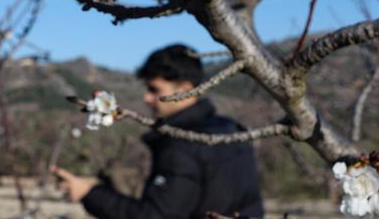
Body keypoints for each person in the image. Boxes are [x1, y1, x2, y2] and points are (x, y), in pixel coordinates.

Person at [53, 44, 264, 218]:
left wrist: (89, 194)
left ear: (185, 89)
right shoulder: (232, 129)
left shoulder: (181, 146)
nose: (146, 98)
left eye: (154, 90)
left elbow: (155, 216)